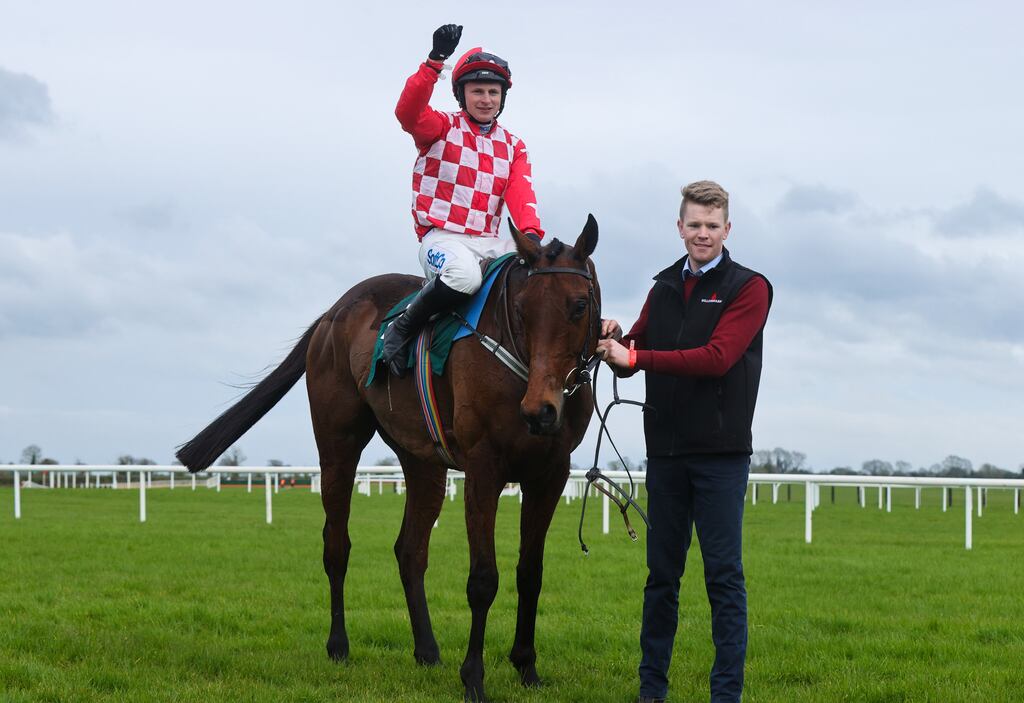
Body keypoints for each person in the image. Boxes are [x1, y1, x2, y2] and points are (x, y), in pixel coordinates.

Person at [596, 180, 772, 703]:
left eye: (712, 226)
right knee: (661, 579)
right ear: (680, 227)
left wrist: (638, 358)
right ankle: (651, 691)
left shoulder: (749, 287)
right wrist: (614, 338)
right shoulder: (664, 285)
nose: (702, 234)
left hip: (721, 455)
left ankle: (726, 695)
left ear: (727, 229)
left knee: (723, 578)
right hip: (666, 454)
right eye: (693, 224)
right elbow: (636, 351)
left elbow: (717, 358)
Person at [382, 23, 544, 377]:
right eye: (477, 91)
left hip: (489, 241)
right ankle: (402, 329)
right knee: (464, 278)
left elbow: (521, 192)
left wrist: (531, 235)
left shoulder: (514, 146)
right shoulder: (439, 127)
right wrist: (434, 62)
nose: (486, 99)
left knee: (542, 275)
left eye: (493, 92)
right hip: (442, 238)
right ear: (461, 95)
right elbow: (406, 113)